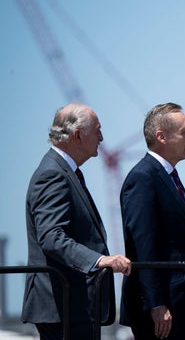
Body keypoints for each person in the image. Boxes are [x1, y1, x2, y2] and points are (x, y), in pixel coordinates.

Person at [21, 103, 132, 340]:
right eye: (98, 130)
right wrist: (100, 260)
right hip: (63, 307)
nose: (102, 138)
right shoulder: (53, 174)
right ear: (78, 135)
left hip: (73, 306)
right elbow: (51, 237)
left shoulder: (64, 171)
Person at [120, 102, 185, 340]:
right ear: (161, 137)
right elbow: (142, 246)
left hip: (183, 304)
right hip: (162, 312)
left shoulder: (169, 177)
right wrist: (156, 304)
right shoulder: (143, 178)